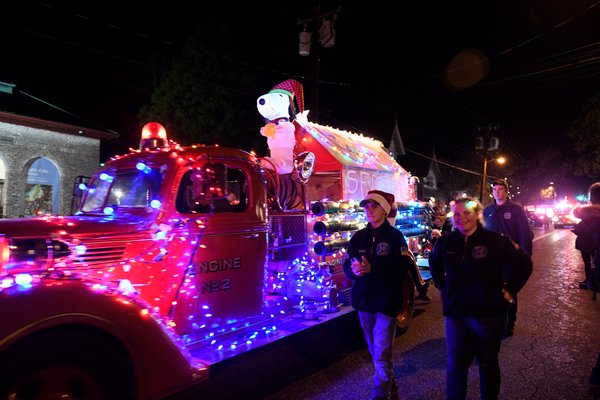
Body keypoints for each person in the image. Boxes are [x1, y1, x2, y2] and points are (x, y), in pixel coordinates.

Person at [429, 197, 532, 400]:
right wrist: (444, 287)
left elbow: (524, 264)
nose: (462, 218)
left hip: (489, 315)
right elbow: (435, 265)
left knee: (487, 363)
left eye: (467, 213)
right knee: (456, 365)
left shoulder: (496, 241)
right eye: (457, 214)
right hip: (457, 315)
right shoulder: (445, 242)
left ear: (477, 215)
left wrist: (510, 290)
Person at [343, 190, 411, 400]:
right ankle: (392, 387)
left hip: (385, 302)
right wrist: (352, 270)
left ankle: (379, 395)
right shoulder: (358, 237)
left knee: (382, 353)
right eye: (366, 207)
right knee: (376, 353)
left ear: (384, 209)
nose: (369, 210)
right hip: (364, 302)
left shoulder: (395, 237)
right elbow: (347, 263)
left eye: (374, 206)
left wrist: (374, 269)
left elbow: (402, 268)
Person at [483, 179, 533, 339]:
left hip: (510, 258)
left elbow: (525, 234)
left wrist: (524, 258)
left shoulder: (516, 209)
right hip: (491, 259)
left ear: (506, 191)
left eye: (500, 189)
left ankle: (509, 324)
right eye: (495, 189)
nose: (497, 192)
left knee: (509, 290)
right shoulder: (488, 210)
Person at [573, 182, 600, 296]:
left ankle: (591, 281)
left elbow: (577, 214)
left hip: (590, 244)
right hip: (593, 245)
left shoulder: (588, 214)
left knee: (589, 262)